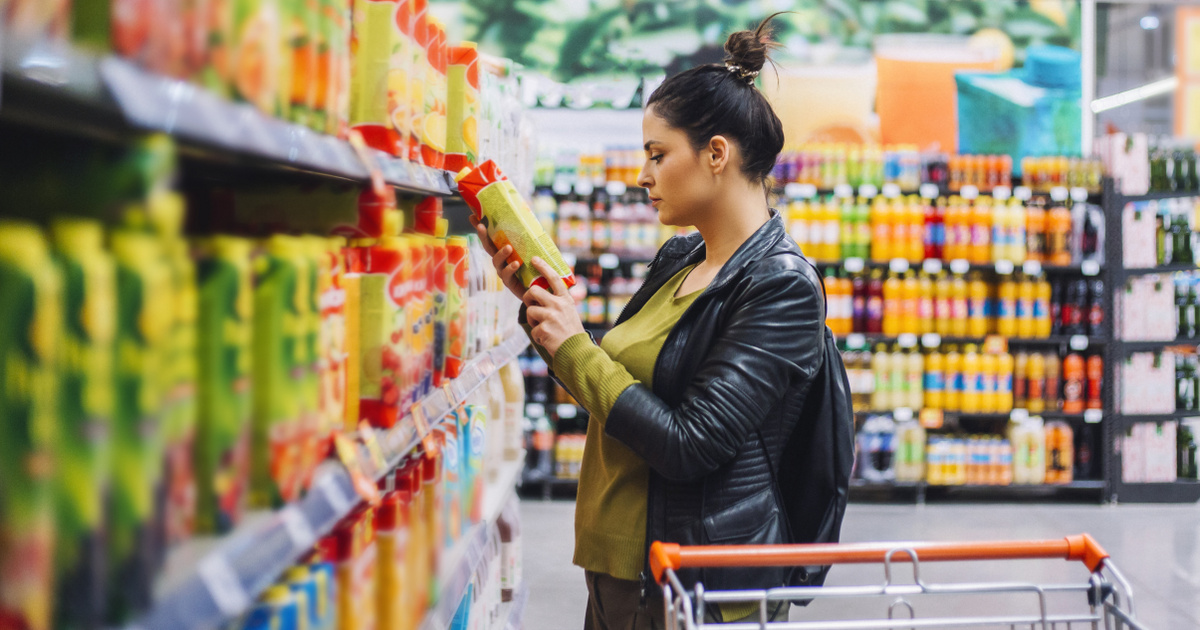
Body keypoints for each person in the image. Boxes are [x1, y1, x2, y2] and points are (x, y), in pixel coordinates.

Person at [472, 14, 827, 629]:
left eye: (658, 155)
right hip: (619, 572)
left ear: (716, 154)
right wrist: (539, 303)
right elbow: (613, 384)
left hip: (690, 586)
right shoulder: (679, 258)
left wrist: (576, 345)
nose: (643, 176)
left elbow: (690, 444)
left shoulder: (780, 286)